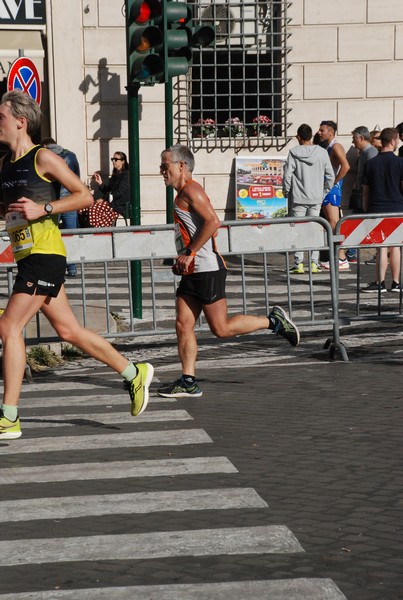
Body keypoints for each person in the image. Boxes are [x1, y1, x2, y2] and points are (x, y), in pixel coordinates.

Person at [0, 90, 153, 439]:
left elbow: (84, 195)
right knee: (68, 331)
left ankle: (8, 416)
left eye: (1, 117)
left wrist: (45, 209)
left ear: (20, 122)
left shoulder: (44, 158)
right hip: (28, 256)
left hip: (45, 256)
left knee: (9, 328)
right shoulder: (5, 164)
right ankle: (134, 373)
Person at [156, 144, 300, 398]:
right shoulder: (180, 194)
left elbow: (213, 221)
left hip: (206, 269)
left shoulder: (192, 189)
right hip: (192, 270)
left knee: (220, 329)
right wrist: (184, 256)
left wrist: (190, 253)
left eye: (165, 165)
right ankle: (188, 381)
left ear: (181, 166)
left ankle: (273, 321)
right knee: (182, 324)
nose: (161, 171)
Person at [283, 123, 335, 274]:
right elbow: (330, 176)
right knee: (314, 231)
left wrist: (287, 192)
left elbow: (287, 175)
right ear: (311, 136)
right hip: (316, 198)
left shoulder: (293, 152)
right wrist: (324, 192)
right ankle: (314, 263)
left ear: (298, 137)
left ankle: (298, 263)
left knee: (298, 231)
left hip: (298, 198)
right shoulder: (322, 152)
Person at [362, 127, 403, 293]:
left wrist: (366, 210)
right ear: (393, 141)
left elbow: (366, 190)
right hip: (397, 207)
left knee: (381, 247)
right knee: (395, 247)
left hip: (377, 208)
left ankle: (379, 283)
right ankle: (395, 282)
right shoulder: (401, 162)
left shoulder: (371, 163)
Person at [41, 137, 80, 277]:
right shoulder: (71, 155)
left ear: (45, 145)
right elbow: (76, 178)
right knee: (71, 235)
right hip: (70, 201)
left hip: (52, 203)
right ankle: (72, 268)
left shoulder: (43, 156)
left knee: (51, 236)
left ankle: (55, 268)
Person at [317, 120, 350, 270]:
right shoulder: (329, 147)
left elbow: (346, 166)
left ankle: (341, 257)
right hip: (330, 189)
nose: (319, 133)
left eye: (322, 130)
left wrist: (333, 183)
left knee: (333, 223)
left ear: (331, 132)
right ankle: (338, 257)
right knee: (332, 223)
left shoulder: (336, 146)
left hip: (332, 190)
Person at [345, 126, 378, 263]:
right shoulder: (365, 153)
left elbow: (371, 178)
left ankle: (352, 252)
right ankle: (352, 252)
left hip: (365, 195)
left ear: (361, 138)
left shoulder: (371, 153)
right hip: (360, 194)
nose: (353, 143)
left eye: (354, 139)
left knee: (360, 223)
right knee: (357, 223)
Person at [79, 151, 129, 227]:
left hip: (117, 204)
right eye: (112, 159)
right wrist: (100, 183)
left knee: (94, 209)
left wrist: (103, 199)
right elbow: (108, 190)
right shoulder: (115, 174)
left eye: (116, 159)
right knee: (82, 208)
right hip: (110, 202)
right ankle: (87, 229)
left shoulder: (126, 175)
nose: (113, 161)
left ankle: (97, 231)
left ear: (123, 161)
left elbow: (119, 192)